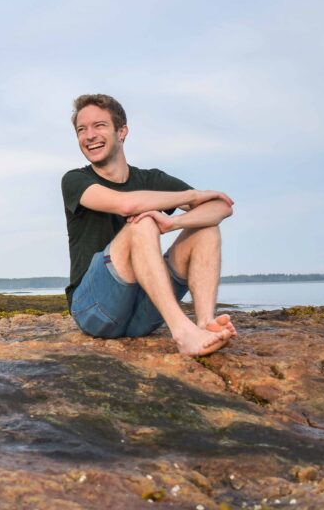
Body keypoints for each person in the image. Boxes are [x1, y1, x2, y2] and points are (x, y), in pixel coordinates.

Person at [61, 94, 236, 356]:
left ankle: (204, 324)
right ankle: (183, 333)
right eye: (81, 130)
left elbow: (221, 207)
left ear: (122, 132)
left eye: (99, 125)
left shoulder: (150, 178)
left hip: (141, 314)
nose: (89, 136)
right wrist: (190, 196)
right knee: (142, 223)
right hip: (95, 309)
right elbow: (126, 205)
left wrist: (175, 221)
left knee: (205, 227)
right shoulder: (75, 180)